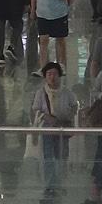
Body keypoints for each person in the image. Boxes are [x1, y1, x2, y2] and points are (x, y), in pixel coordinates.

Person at [32, 62, 79, 196]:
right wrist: (46, 117)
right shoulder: (41, 93)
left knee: (62, 156)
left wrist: (67, 115)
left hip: (62, 129)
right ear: (45, 77)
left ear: (59, 76)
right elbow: (36, 110)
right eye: (49, 74)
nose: (52, 77)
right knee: (48, 156)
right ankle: (49, 185)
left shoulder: (67, 92)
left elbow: (75, 107)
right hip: (47, 129)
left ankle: (60, 183)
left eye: (55, 74)